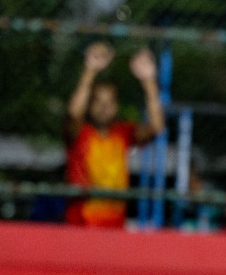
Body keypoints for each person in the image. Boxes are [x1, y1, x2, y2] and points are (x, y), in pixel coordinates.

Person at [64, 43, 165, 228]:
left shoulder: (121, 134)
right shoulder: (80, 133)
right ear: (89, 104)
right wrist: (89, 71)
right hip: (82, 225)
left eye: (110, 102)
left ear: (117, 106)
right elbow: (73, 113)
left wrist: (149, 81)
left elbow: (157, 126)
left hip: (114, 227)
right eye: (98, 101)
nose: (104, 108)